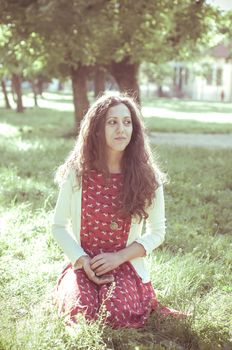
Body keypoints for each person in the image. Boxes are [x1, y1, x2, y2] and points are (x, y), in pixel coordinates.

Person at [52, 93, 184, 328]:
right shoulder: (77, 172)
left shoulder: (148, 177)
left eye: (127, 122)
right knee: (81, 312)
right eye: (112, 122)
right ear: (96, 129)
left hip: (124, 265)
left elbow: (158, 232)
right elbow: (59, 227)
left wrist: (118, 257)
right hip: (84, 263)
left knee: (118, 314)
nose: (121, 129)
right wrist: (82, 260)